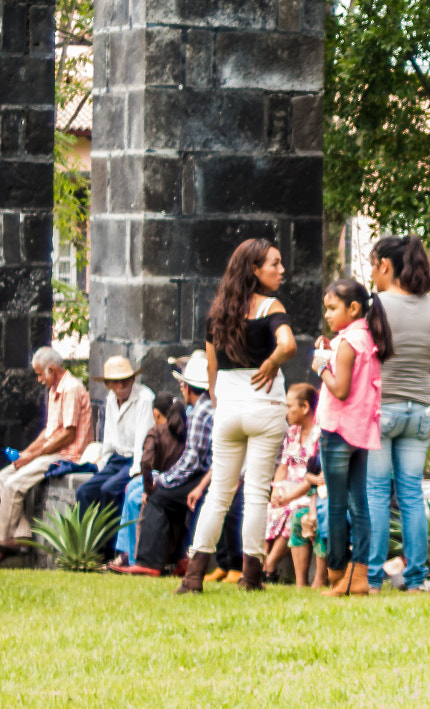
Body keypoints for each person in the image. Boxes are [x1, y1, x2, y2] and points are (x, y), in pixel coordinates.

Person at [177, 239, 297, 595]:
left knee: (219, 494)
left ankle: (193, 577)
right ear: (254, 270)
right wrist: (272, 362)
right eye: (274, 264)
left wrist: (221, 398)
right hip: (266, 407)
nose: (281, 270)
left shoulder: (218, 313)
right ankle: (252, 577)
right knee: (257, 494)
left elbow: (212, 370)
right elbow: (288, 344)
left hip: (227, 409)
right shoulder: (272, 307)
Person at [364, 234, 430, 592]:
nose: (371, 273)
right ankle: (416, 579)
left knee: (378, 493)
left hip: (382, 411)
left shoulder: (375, 305)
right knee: (412, 493)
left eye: (372, 265)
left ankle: (372, 576)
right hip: (420, 411)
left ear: (385, 265)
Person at [0, 347, 93, 564]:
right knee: (3, 476)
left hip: (67, 456)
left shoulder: (70, 389)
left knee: (14, 484)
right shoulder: (55, 389)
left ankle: (2, 541)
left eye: (41, 374)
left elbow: (67, 435)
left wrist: (32, 457)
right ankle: (22, 534)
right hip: (51, 452)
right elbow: (49, 431)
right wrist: (27, 453)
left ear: (51, 370)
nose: (40, 380)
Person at [314, 275, 388, 598]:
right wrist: (331, 354)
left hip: (337, 431)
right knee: (360, 505)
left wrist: (321, 368)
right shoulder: (366, 338)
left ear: (353, 307)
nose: (328, 315)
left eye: (332, 308)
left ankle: (335, 574)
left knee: (336, 505)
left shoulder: (347, 343)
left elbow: (340, 388)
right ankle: (359, 577)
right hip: (360, 433)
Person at [113, 352, 213, 577]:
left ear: (188, 387)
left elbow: (192, 461)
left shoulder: (200, 412)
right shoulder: (201, 408)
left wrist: (162, 480)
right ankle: (176, 558)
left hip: (204, 476)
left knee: (159, 497)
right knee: (161, 494)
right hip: (204, 473)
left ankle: (149, 562)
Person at [73, 356, 154, 547]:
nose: (121, 384)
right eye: (116, 381)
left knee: (109, 490)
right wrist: (103, 463)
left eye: (125, 379)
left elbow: (143, 438)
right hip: (116, 459)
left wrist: (137, 469)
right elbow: (108, 435)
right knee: (84, 492)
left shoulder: (145, 398)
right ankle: (87, 547)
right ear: (109, 384)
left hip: (134, 460)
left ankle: (110, 549)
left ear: (133, 379)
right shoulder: (111, 399)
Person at [261, 384, 322, 585]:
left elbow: (314, 477)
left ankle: (270, 566)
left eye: (289, 406)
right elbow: (283, 465)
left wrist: (288, 496)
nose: (286, 412)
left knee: (291, 510)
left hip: (306, 490)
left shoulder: (319, 435)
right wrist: (276, 490)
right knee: (269, 508)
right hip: (287, 488)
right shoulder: (292, 433)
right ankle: (260, 563)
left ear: (305, 407)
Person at [114, 395, 184, 567]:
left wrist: (147, 489)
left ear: (156, 413)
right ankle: (125, 551)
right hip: (166, 476)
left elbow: (146, 462)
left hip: (167, 480)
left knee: (134, 498)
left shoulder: (157, 432)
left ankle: (133, 558)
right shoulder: (183, 427)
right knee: (131, 486)